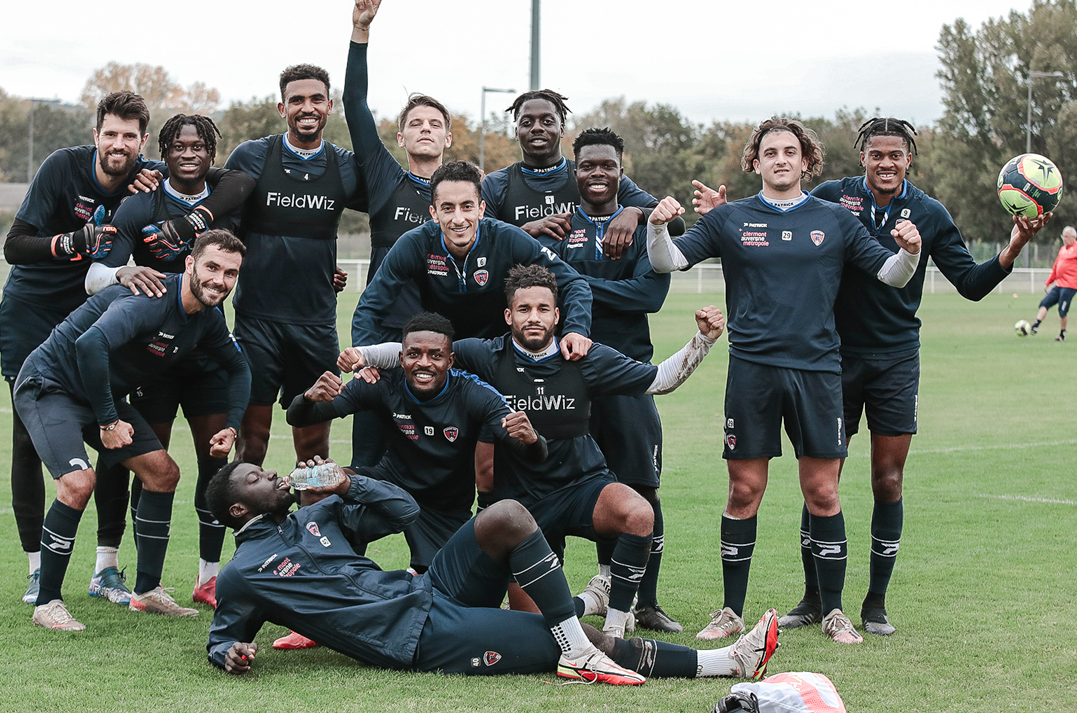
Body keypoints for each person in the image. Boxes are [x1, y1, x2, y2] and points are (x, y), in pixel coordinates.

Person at [744, 116, 1045, 635]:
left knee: (887, 478)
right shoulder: (833, 199)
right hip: (830, 358)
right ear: (861, 157)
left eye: (896, 155)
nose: (886, 162)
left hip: (895, 361)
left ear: (910, 160)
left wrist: (1013, 246)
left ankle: (875, 603)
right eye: (877, 154)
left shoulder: (929, 213)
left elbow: (970, 284)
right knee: (823, 481)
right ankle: (814, 597)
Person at [648, 116, 924, 645]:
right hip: (751, 371)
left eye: (790, 151)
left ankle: (835, 611)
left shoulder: (836, 221)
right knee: (743, 490)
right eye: (770, 151)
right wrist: (658, 226)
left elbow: (891, 274)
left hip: (820, 371)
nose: (780, 159)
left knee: (822, 490)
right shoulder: (731, 220)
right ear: (755, 161)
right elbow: (668, 260)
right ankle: (730, 611)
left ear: (806, 161)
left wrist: (910, 251)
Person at [345, 265, 724, 638]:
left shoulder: (583, 357)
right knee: (537, 625)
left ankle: (616, 621)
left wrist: (703, 339)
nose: (534, 318)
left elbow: (660, 379)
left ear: (557, 315)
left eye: (543, 309)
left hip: (582, 487)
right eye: (524, 309)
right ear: (509, 315)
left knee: (640, 513)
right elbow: (424, 350)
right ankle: (591, 599)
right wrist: (365, 357)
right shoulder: (485, 356)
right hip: (520, 505)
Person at [205, 458, 779, 684]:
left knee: (505, 515)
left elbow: (405, 511)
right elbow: (224, 636)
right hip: (417, 637)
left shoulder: (320, 512)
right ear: (239, 510)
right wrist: (230, 655)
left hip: (429, 588)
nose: (274, 476)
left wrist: (348, 483)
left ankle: (573, 637)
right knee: (592, 642)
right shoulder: (243, 573)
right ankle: (728, 662)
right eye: (257, 479)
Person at [0, 90, 249, 605]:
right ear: (95, 135)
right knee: (51, 457)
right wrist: (89, 254)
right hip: (46, 319)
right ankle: (41, 582)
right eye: (110, 134)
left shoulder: (157, 178)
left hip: (103, 333)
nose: (119, 143)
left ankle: (127, 578)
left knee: (151, 467)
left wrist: (191, 220)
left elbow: (239, 182)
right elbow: (17, 247)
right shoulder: (70, 175)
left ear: (141, 144)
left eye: (129, 136)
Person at [14, 231, 251, 631]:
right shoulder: (150, 299)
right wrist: (108, 421)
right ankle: (47, 601)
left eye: (230, 273)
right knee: (77, 482)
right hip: (49, 386)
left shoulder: (206, 319)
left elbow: (240, 368)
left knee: (163, 473)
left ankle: (146, 592)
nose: (220, 280)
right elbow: (90, 345)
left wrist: (231, 426)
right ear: (190, 264)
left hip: (95, 394)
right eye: (212, 267)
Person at [84, 113, 254, 608]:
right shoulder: (140, 204)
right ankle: (112, 568)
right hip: (150, 361)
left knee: (213, 463)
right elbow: (96, 272)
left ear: (211, 152)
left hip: (207, 358)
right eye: (178, 146)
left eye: (199, 146)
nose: (189, 153)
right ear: (162, 151)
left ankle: (208, 576)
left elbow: (245, 183)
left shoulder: (228, 200)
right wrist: (123, 273)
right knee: (135, 460)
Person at [535, 127, 680, 633]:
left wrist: (572, 285)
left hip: (627, 375)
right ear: (573, 172)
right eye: (587, 166)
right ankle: (572, 595)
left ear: (622, 169)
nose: (597, 174)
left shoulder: (643, 229)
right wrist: (592, 287)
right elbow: (541, 297)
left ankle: (647, 601)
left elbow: (649, 297)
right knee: (566, 486)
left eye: (607, 166)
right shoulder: (554, 229)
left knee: (642, 486)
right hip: (563, 382)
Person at [289, 312, 545, 574]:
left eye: (435, 355)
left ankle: (419, 574)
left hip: (444, 505)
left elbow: (533, 454)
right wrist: (307, 398)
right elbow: (298, 417)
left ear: (450, 360)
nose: (424, 363)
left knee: (447, 593)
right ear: (401, 358)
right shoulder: (380, 383)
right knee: (318, 486)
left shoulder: (475, 394)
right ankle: (323, 573)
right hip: (389, 486)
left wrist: (533, 440)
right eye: (414, 354)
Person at [225, 64, 366, 470]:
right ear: (282, 107)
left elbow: (394, 207)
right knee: (251, 446)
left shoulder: (344, 167)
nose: (307, 107)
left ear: (329, 106)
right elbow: (220, 217)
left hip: (316, 325)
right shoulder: (251, 156)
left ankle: (312, 533)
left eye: (316, 99)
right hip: (256, 324)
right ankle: (252, 534)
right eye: (297, 100)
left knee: (315, 455)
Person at [342, 0, 450, 468]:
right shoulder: (386, 179)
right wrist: (360, 34)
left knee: (440, 467)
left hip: (441, 346)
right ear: (402, 136)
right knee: (366, 465)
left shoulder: (467, 196)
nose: (425, 128)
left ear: (448, 138)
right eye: (417, 123)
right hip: (382, 337)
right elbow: (355, 105)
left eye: (435, 124)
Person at [351, 160, 594, 355]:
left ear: (480, 209)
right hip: (441, 357)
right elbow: (369, 307)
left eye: (467, 206)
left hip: (498, 355)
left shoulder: (507, 238)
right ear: (434, 213)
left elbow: (574, 284)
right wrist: (366, 356)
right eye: (448, 208)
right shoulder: (415, 243)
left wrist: (576, 331)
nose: (458, 219)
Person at [481, 89, 682, 257]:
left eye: (547, 121)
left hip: (584, 294)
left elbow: (677, 224)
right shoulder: (496, 184)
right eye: (526, 123)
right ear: (516, 132)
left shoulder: (591, 176)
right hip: (527, 299)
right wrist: (524, 231)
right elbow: (477, 243)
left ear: (561, 129)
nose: (537, 128)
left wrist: (636, 213)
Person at [1030, 225, 1076, 341]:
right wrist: (1048, 282)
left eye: (1066, 236)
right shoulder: (1062, 249)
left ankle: (1062, 334)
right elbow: (1056, 267)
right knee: (1044, 303)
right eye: (1063, 236)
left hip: (1070, 285)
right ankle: (1036, 325)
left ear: (1073, 237)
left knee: (1062, 311)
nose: (1064, 239)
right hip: (1059, 285)